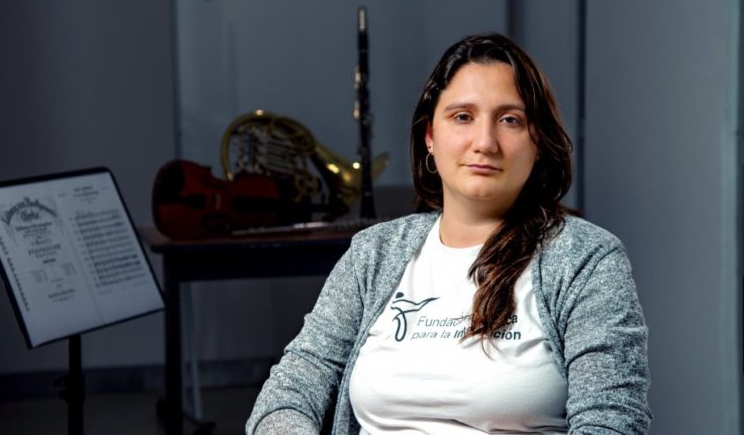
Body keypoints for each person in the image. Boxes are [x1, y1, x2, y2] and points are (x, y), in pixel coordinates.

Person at [246, 33, 651, 434]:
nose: (485, 142)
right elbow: (289, 389)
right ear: (430, 135)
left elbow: (612, 421)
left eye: (510, 120)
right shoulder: (374, 253)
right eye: (462, 117)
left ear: (538, 142)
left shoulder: (586, 259)